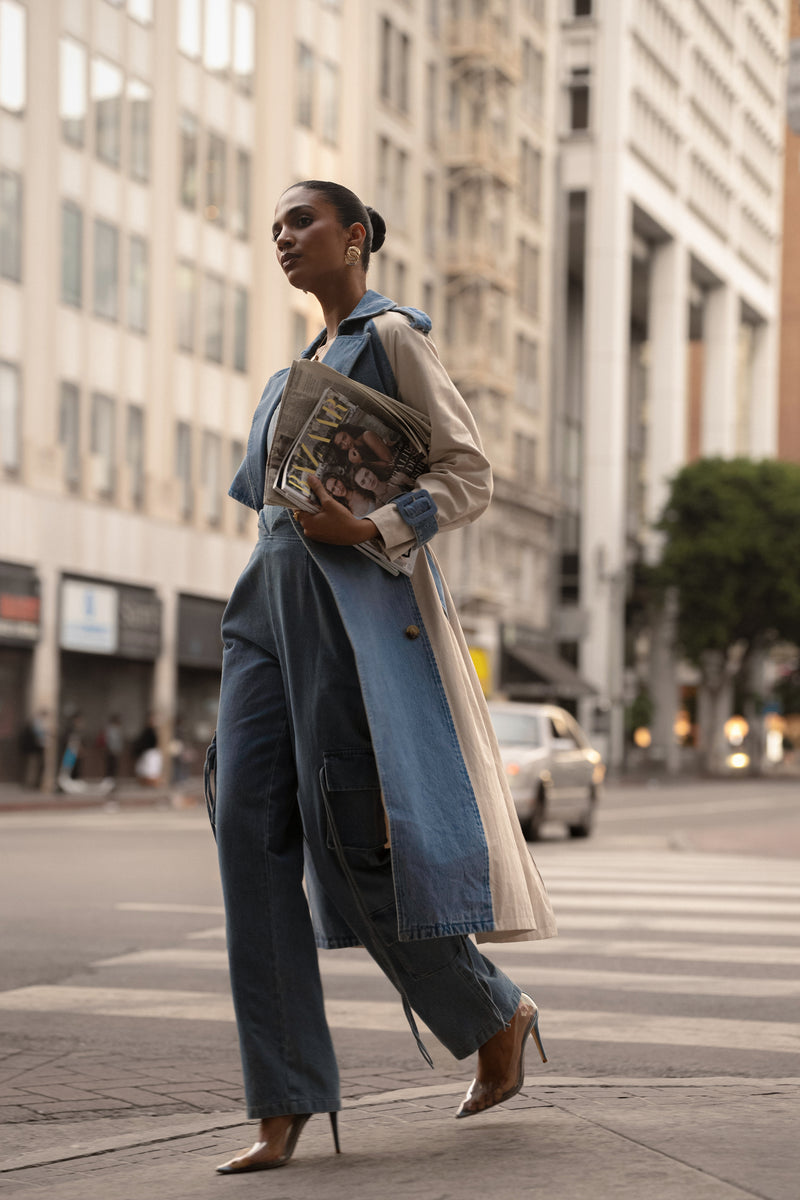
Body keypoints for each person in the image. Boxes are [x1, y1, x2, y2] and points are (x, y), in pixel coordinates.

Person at [207, 180, 556, 1176]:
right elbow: (263, 509)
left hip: (346, 612)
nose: (282, 235)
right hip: (259, 612)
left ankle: (492, 1011)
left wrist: (370, 526)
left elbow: (467, 473)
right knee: (242, 829)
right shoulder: (288, 377)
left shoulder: (392, 337)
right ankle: (281, 1101)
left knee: (346, 837)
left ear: (354, 238)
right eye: (272, 224)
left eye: (301, 221)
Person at [20, 710, 48, 790]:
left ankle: (34, 783)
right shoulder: (35, 726)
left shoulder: (37, 726)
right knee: (32, 767)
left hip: (36, 750)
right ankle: (31, 784)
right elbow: (37, 740)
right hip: (34, 750)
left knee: (36, 767)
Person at [103, 713, 124, 782]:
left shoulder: (118, 729)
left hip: (115, 751)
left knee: (114, 766)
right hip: (111, 751)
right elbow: (110, 741)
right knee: (111, 766)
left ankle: (112, 780)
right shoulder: (111, 729)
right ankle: (109, 780)